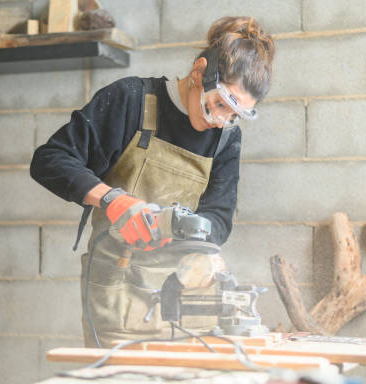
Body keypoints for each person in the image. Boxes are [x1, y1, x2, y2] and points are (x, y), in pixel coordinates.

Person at [30, 16, 275, 347]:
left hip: (186, 297)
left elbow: (219, 215)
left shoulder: (225, 139)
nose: (220, 121)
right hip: (119, 293)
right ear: (199, 72)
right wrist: (112, 201)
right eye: (219, 104)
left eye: (234, 116)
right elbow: (50, 160)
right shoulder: (131, 99)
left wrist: (200, 244)